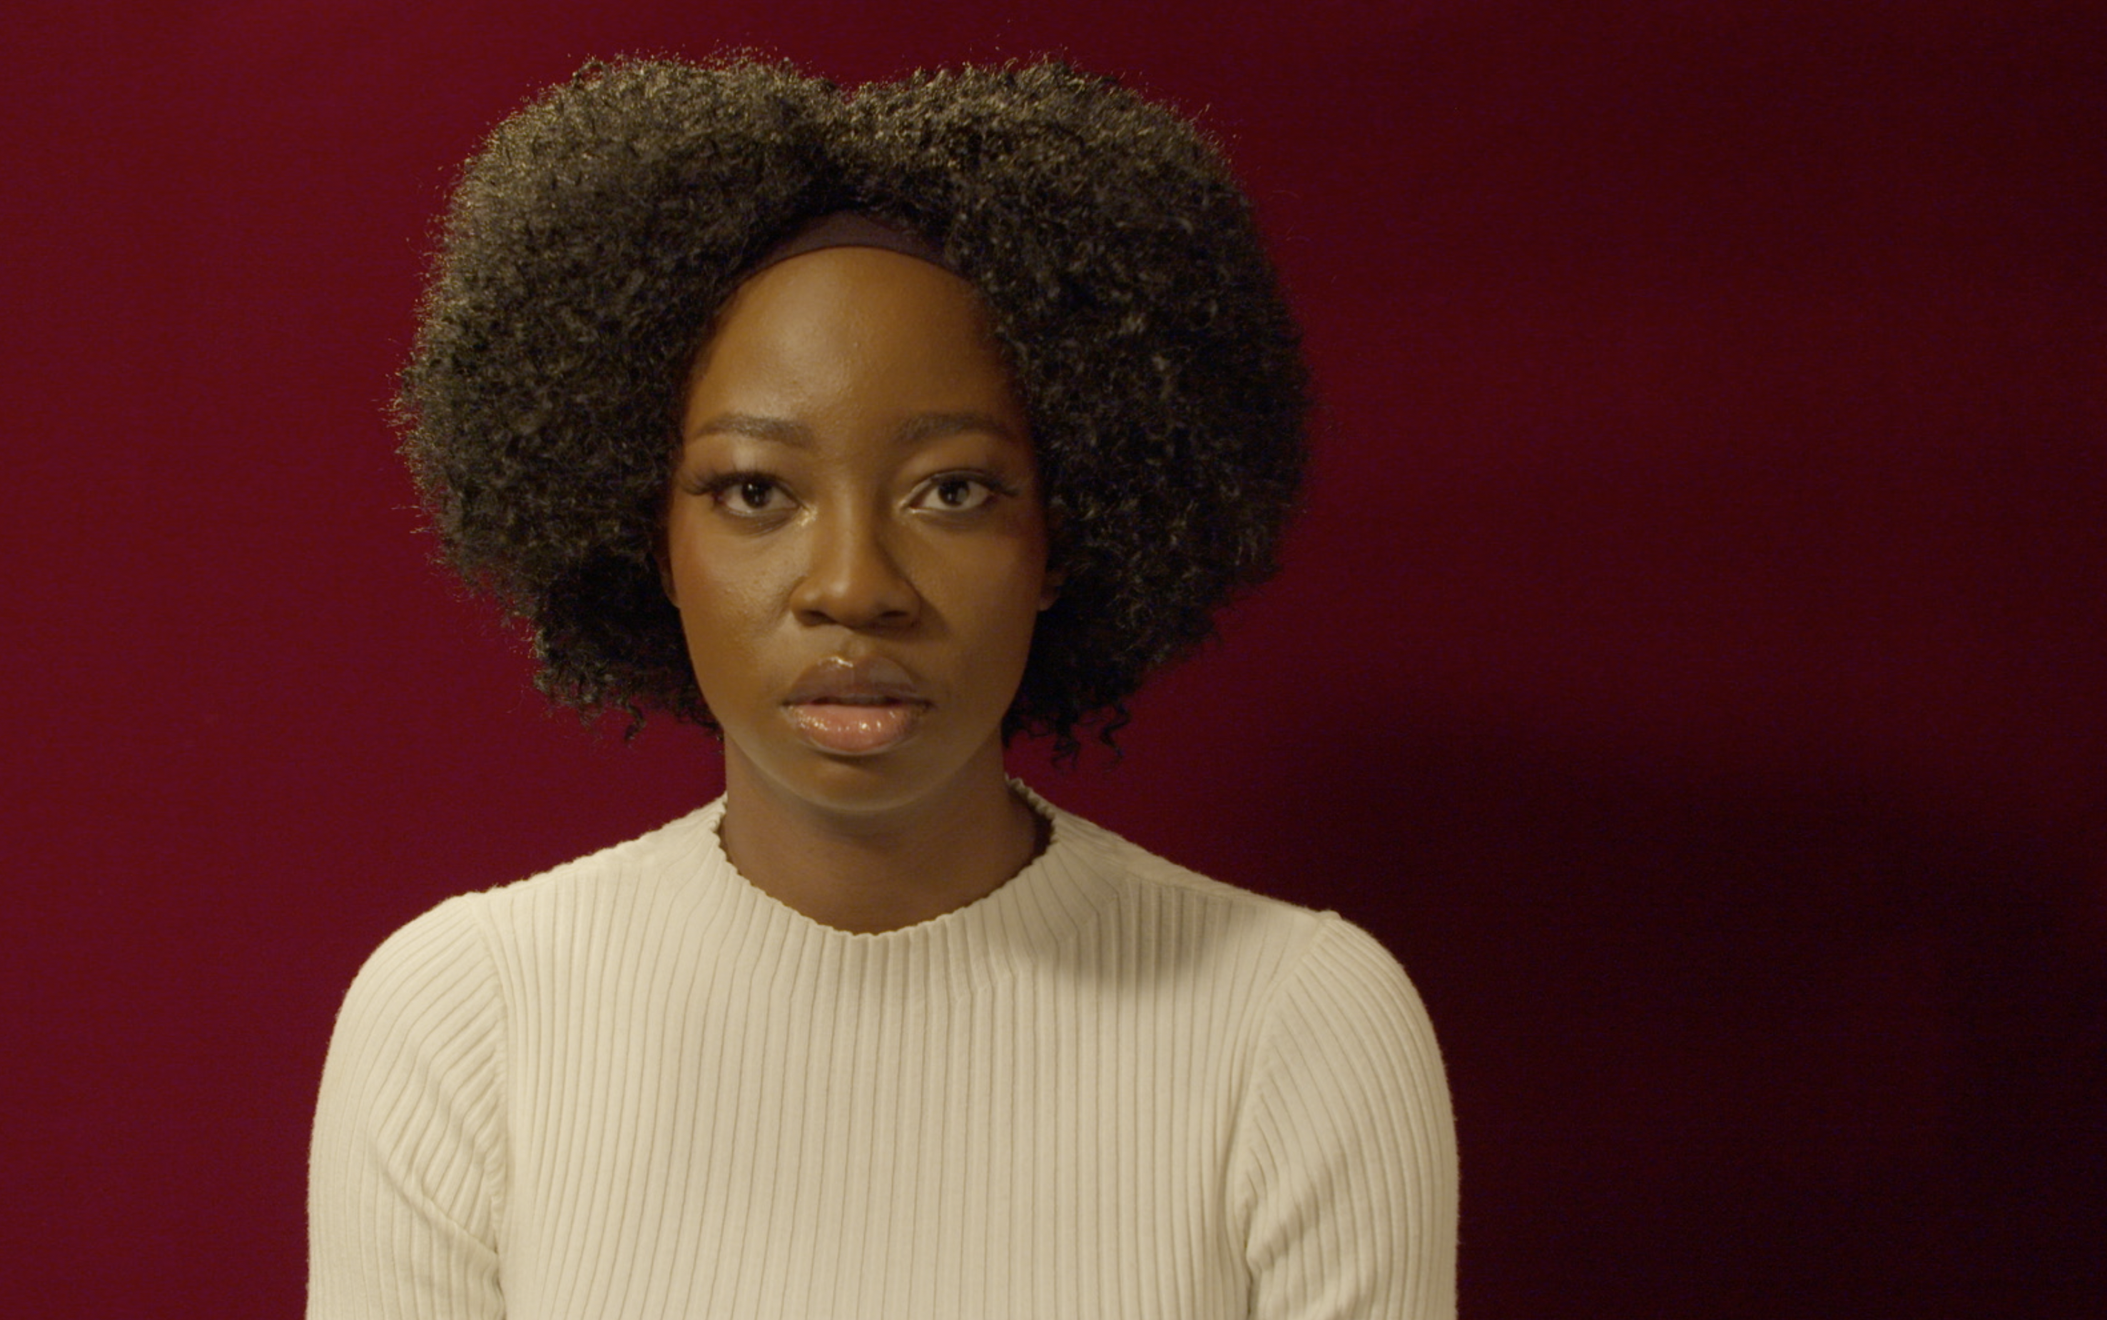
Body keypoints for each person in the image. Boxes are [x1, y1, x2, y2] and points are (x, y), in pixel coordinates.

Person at [310, 57, 1456, 1319]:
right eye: (756, 492)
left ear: (1061, 540)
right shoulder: (468, 1020)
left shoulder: (1295, 1025)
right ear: (651, 541)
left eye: (952, 490)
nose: (854, 586)